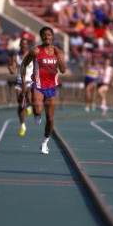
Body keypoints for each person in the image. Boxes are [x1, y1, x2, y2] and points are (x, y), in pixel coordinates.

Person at [20, 26, 66, 154]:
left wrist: (59, 57)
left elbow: (63, 70)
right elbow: (24, 64)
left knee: (50, 118)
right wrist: (24, 82)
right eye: (44, 35)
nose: (47, 37)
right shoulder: (36, 51)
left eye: (49, 35)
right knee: (38, 109)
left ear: (52, 37)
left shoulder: (58, 52)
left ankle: (44, 142)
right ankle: (36, 113)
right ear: (41, 37)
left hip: (52, 87)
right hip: (38, 85)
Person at [7, 38, 33, 136]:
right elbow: (13, 70)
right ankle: (22, 125)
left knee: (29, 96)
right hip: (19, 82)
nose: (23, 47)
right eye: (22, 45)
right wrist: (10, 68)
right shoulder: (16, 56)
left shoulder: (31, 55)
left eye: (25, 45)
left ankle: (30, 105)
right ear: (20, 46)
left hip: (30, 81)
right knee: (21, 103)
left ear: (27, 46)